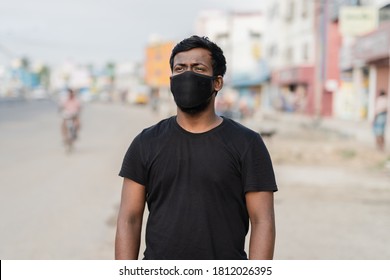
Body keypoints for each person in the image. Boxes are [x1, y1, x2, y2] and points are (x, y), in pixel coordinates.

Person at [115, 35, 278, 260]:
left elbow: (263, 220)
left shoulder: (247, 144)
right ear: (171, 78)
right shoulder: (145, 143)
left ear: (217, 82)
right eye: (180, 68)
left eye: (198, 68)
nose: (187, 74)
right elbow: (129, 218)